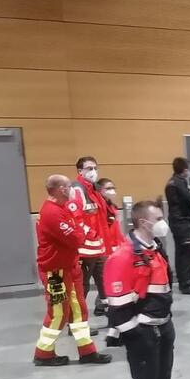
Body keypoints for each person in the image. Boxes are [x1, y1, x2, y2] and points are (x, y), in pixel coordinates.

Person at [103, 200, 186, 379]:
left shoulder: (155, 248)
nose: (163, 223)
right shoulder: (123, 257)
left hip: (163, 325)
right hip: (143, 332)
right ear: (143, 222)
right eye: (158, 218)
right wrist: (135, 333)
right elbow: (117, 307)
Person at [32, 175, 111, 367]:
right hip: (56, 273)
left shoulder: (62, 209)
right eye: (69, 186)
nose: (73, 190)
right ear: (62, 189)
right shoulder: (52, 213)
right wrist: (79, 232)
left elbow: (78, 230)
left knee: (78, 311)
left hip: (70, 268)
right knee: (58, 313)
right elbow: (76, 239)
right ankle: (43, 353)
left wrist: (79, 231)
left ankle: (87, 352)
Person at [72, 157, 110, 317]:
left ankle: (107, 311)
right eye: (89, 168)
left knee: (105, 281)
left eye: (95, 167)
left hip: (99, 248)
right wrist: (91, 233)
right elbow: (74, 218)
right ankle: (76, 321)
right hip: (85, 250)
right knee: (83, 286)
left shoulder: (95, 189)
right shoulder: (77, 190)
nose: (93, 171)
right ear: (80, 171)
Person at [165, 157, 190, 294]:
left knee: (181, 252)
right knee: (187, 253)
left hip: (177, 221)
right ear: (185, 170)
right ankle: (187, 283)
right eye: (189, 169)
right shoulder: (178, 182)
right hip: (182, 222)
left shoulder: (172, 181)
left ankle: (184, 282)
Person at [95, 178, 127, 256]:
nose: (112, 191)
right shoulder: (98, 207)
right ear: (99, 190)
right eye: (108, 188)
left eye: (113, 188)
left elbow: (117, 228)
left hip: (116, 244)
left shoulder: (113, 207)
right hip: (105, 246)